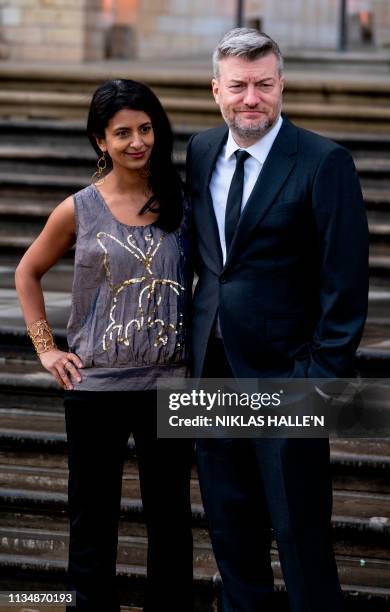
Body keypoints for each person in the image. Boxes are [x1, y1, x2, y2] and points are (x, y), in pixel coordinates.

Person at [186, 28, 369, 612]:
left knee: (300, 534)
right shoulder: (200, 150)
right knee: (230, 528)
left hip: (288, 376)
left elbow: (345, 283)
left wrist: (318, 377)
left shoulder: (324, 161)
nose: (251, 99)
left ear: (281, 85)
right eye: (238, 86)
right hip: (211, 373)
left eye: (264, 85)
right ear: (217, 90)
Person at [15, 79, 194, 612]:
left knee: (172, 520)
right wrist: (47, 348)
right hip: (95, 389)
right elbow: (27, 273)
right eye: (122, 133)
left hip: (170, 387)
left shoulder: (182, 203)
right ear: (100, 141)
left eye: (145, 129)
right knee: (92, 518)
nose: (137, 141)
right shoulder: (79, 209)